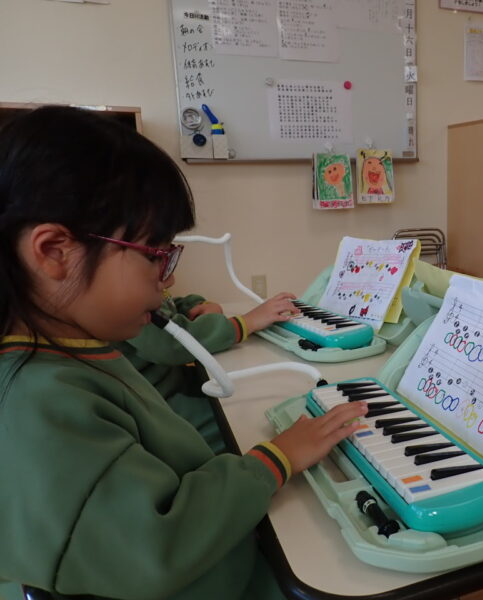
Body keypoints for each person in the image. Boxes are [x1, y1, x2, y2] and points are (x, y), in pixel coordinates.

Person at [0, 105, 367, 600]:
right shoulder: (37, 404)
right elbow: (155, 544)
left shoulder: (68, 355)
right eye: (156, 255)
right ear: (54, 252)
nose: (166, 280)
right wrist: (275, 460)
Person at [115, 287, 300, 454]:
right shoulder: (124, 296)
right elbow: (167, 343)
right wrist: (244, 323)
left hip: (173, 382)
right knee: (256, 421)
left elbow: (166, 305)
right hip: (157, 405)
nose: (170, 279)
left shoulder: (135, 285)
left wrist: (198, 305)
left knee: (257, 390)